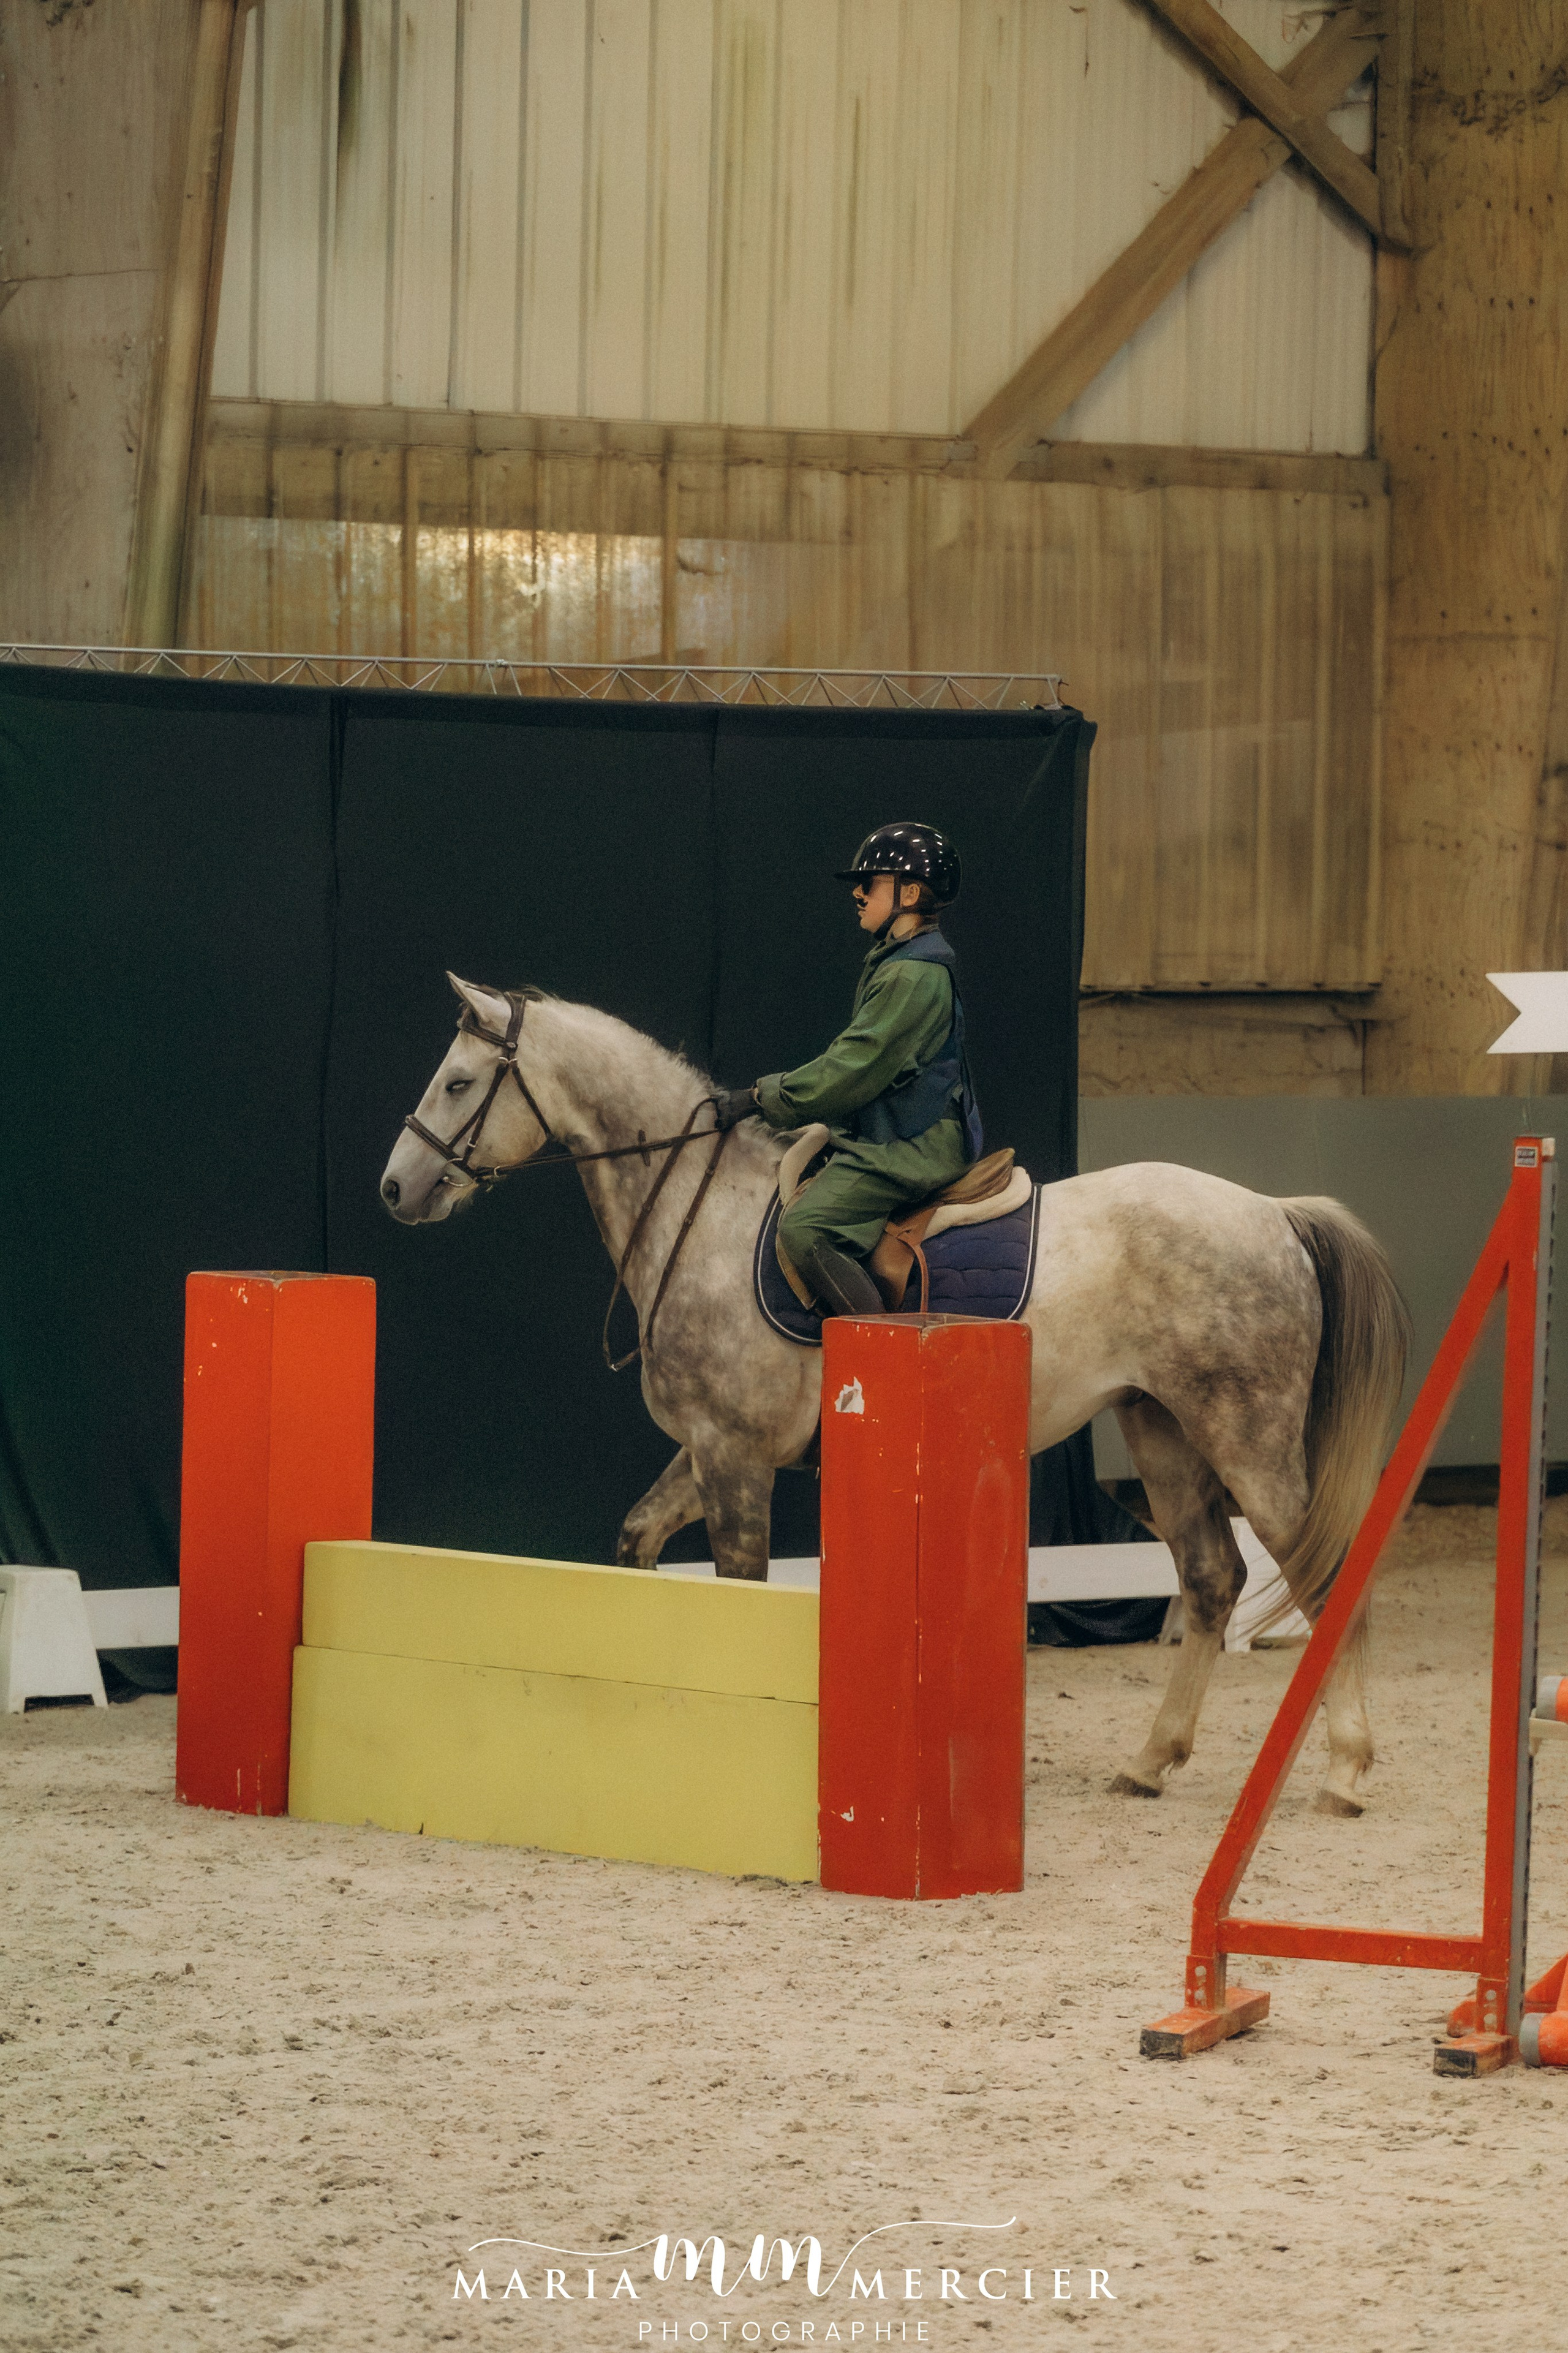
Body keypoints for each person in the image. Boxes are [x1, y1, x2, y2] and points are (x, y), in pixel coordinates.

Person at [711, 821, 982, 1316]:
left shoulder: (912, 973)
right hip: (890, 1133)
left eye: (870, 882)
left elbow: (852, 1068)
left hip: (911, 1146)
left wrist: (761, 1098)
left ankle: (884, 1360)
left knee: (804, 1228)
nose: (858, 893)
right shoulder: (896, 960)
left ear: (911, 891)